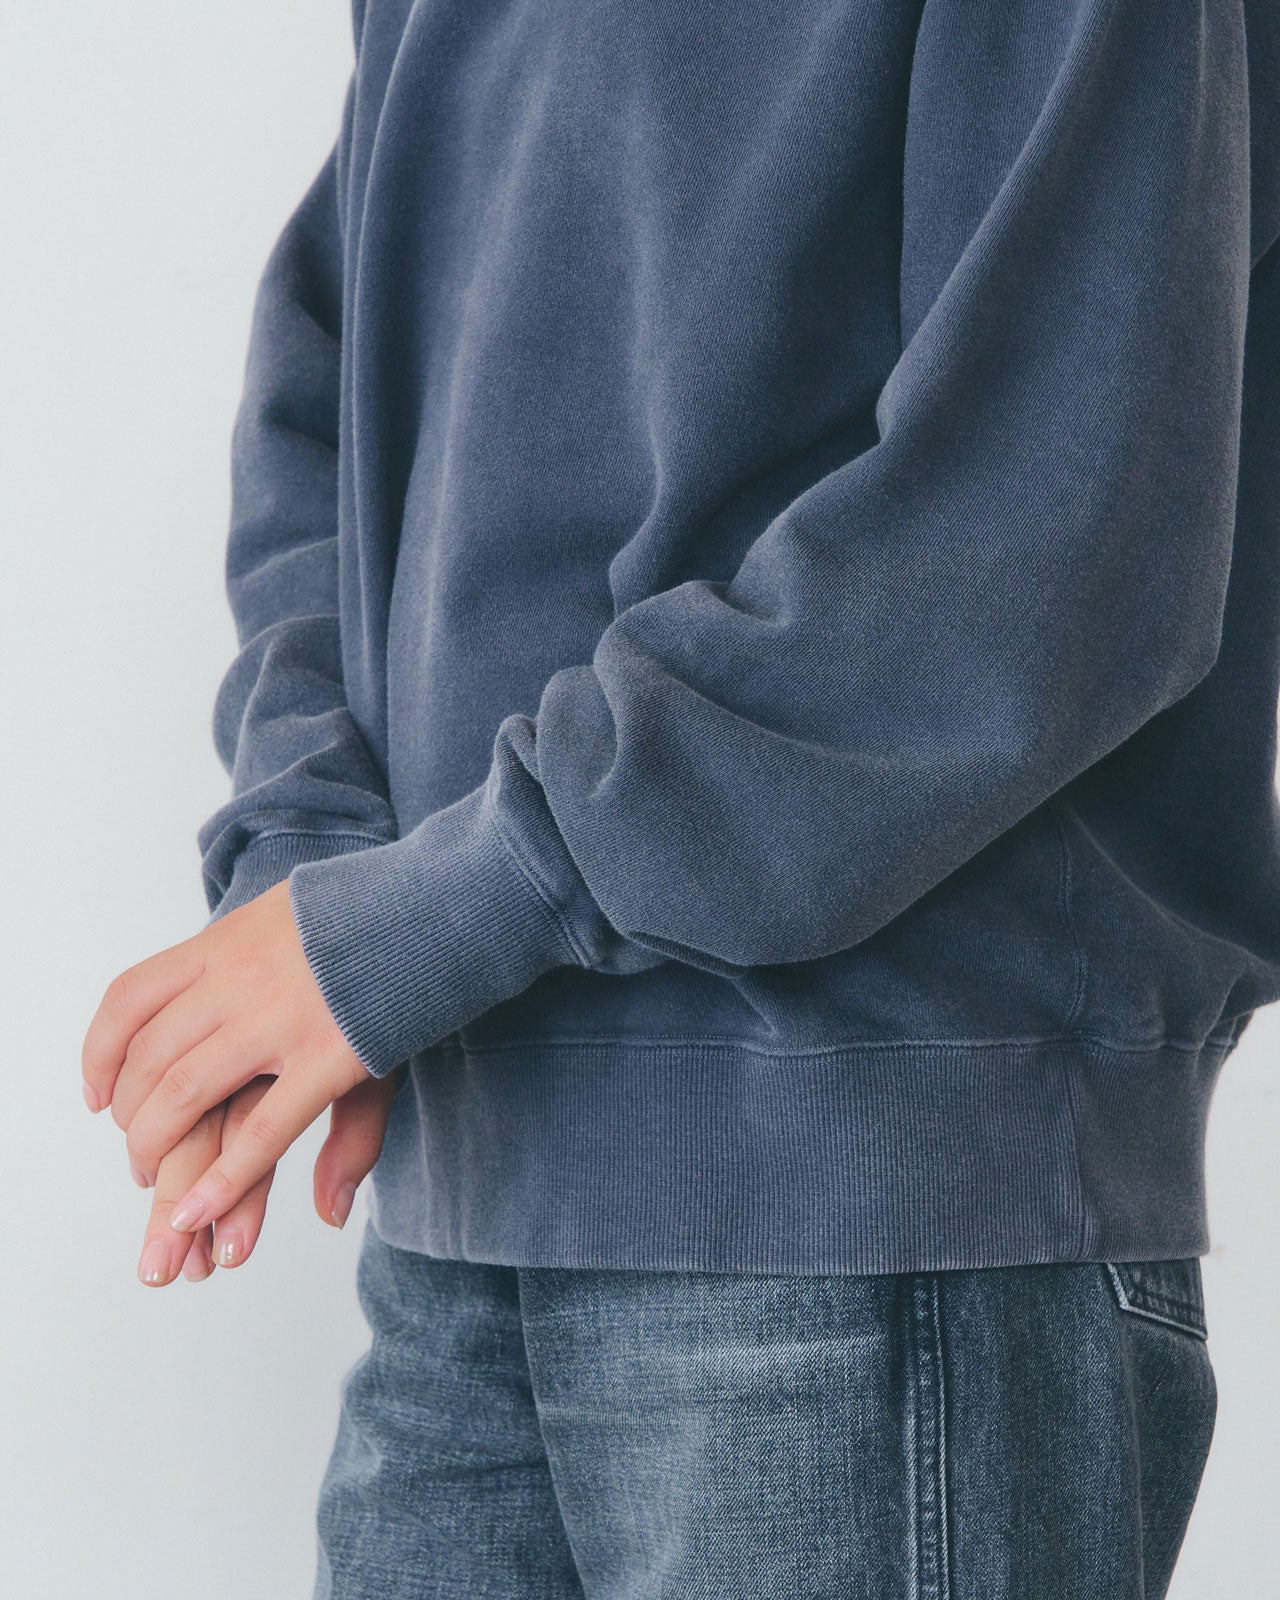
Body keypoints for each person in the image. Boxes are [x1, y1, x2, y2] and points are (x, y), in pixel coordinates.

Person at [82, 0, 1279, 1593]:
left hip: (877, 1198)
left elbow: (1050, 546)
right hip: (459, 1194)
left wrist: (436, 915)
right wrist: (325, 886)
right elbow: (336, 387)